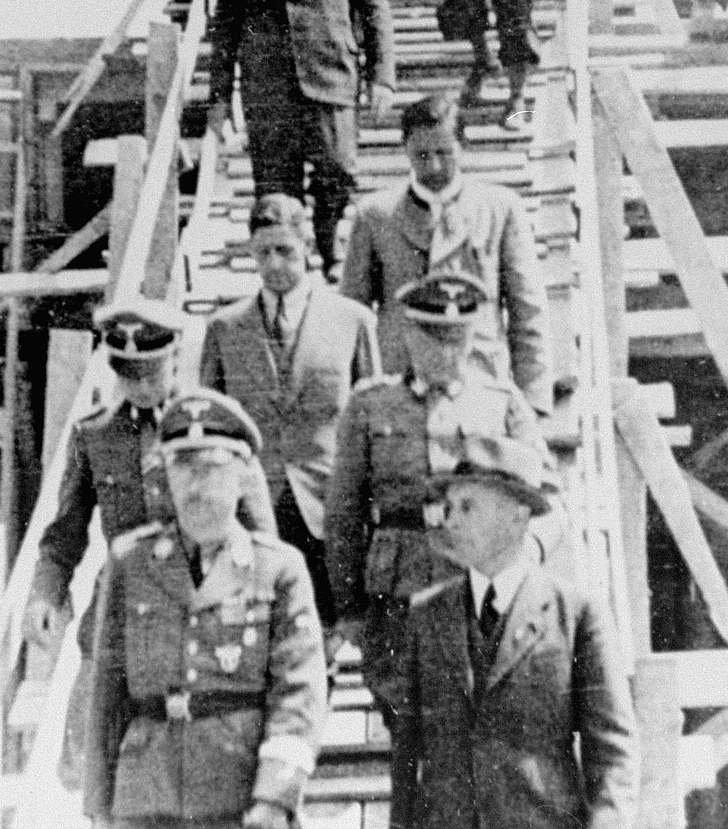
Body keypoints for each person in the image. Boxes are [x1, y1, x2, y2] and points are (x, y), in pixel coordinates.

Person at [23, 298, 277, 788]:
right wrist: (44, 594)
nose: (138, 386)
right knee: (91, 757)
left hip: (200, 609)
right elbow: (63, 537)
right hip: (121, 613)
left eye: (149, 373)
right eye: (127, 373)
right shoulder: (94, 435)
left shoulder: (212, 430)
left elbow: (263, 537)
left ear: (176, 358)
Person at [85, 390, 328, 829]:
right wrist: (100, 807)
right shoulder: (130, 562)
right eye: (182, 468)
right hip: (145, 800)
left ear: (241, 476)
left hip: (240, 797)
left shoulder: (278, 569)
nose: (195, 486)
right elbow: (107, 692)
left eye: (211, 469)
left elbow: (299, 693)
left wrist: (274, 798)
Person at [324, 272, 561, 719]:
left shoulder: (501, 401)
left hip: (481, 586)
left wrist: (528, 548)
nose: (449, 353)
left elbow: (549, 497)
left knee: (483, 720)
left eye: (459, 340)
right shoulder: (370, 405)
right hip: (397, 594)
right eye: (435, 340)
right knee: (407, 729)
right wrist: (349, 608)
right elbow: (342, 516)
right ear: (408, 335)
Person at [388, 434, 640, 829]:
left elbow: (613, 754)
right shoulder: (426, 615)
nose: (451, 521)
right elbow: (406, 752)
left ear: (517, 516)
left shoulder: (575, 615)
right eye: (449, 507)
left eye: (468, 507)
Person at [208, 0, 395, 277]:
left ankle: (330, 251)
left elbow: (374, 8)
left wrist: (382, 76)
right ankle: (291, 264)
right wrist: (218, 97)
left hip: (331, 75)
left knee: (337, 170)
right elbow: (226, 27)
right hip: (269, 86)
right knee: (276, 182)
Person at [199, 194, 381, 634]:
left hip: (329, 510)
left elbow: (375, 421)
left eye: (286, 251)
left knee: (326, 638)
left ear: (308, 248)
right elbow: (209, 429)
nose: (275, 264)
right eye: (263, 253)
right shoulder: (225, 328)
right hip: (254, 513)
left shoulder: (351, 321)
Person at [340, 91, 551, 415]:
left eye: (444, 152)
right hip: (399, 389)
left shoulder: (499, 209)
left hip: (481, 385)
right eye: (422, 155)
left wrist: (533, 402)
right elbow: (352, 316)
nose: (435, 165)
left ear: (462, 147)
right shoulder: (374, 216)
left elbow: (528, 310)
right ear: (405, 150)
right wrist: (357, 402)